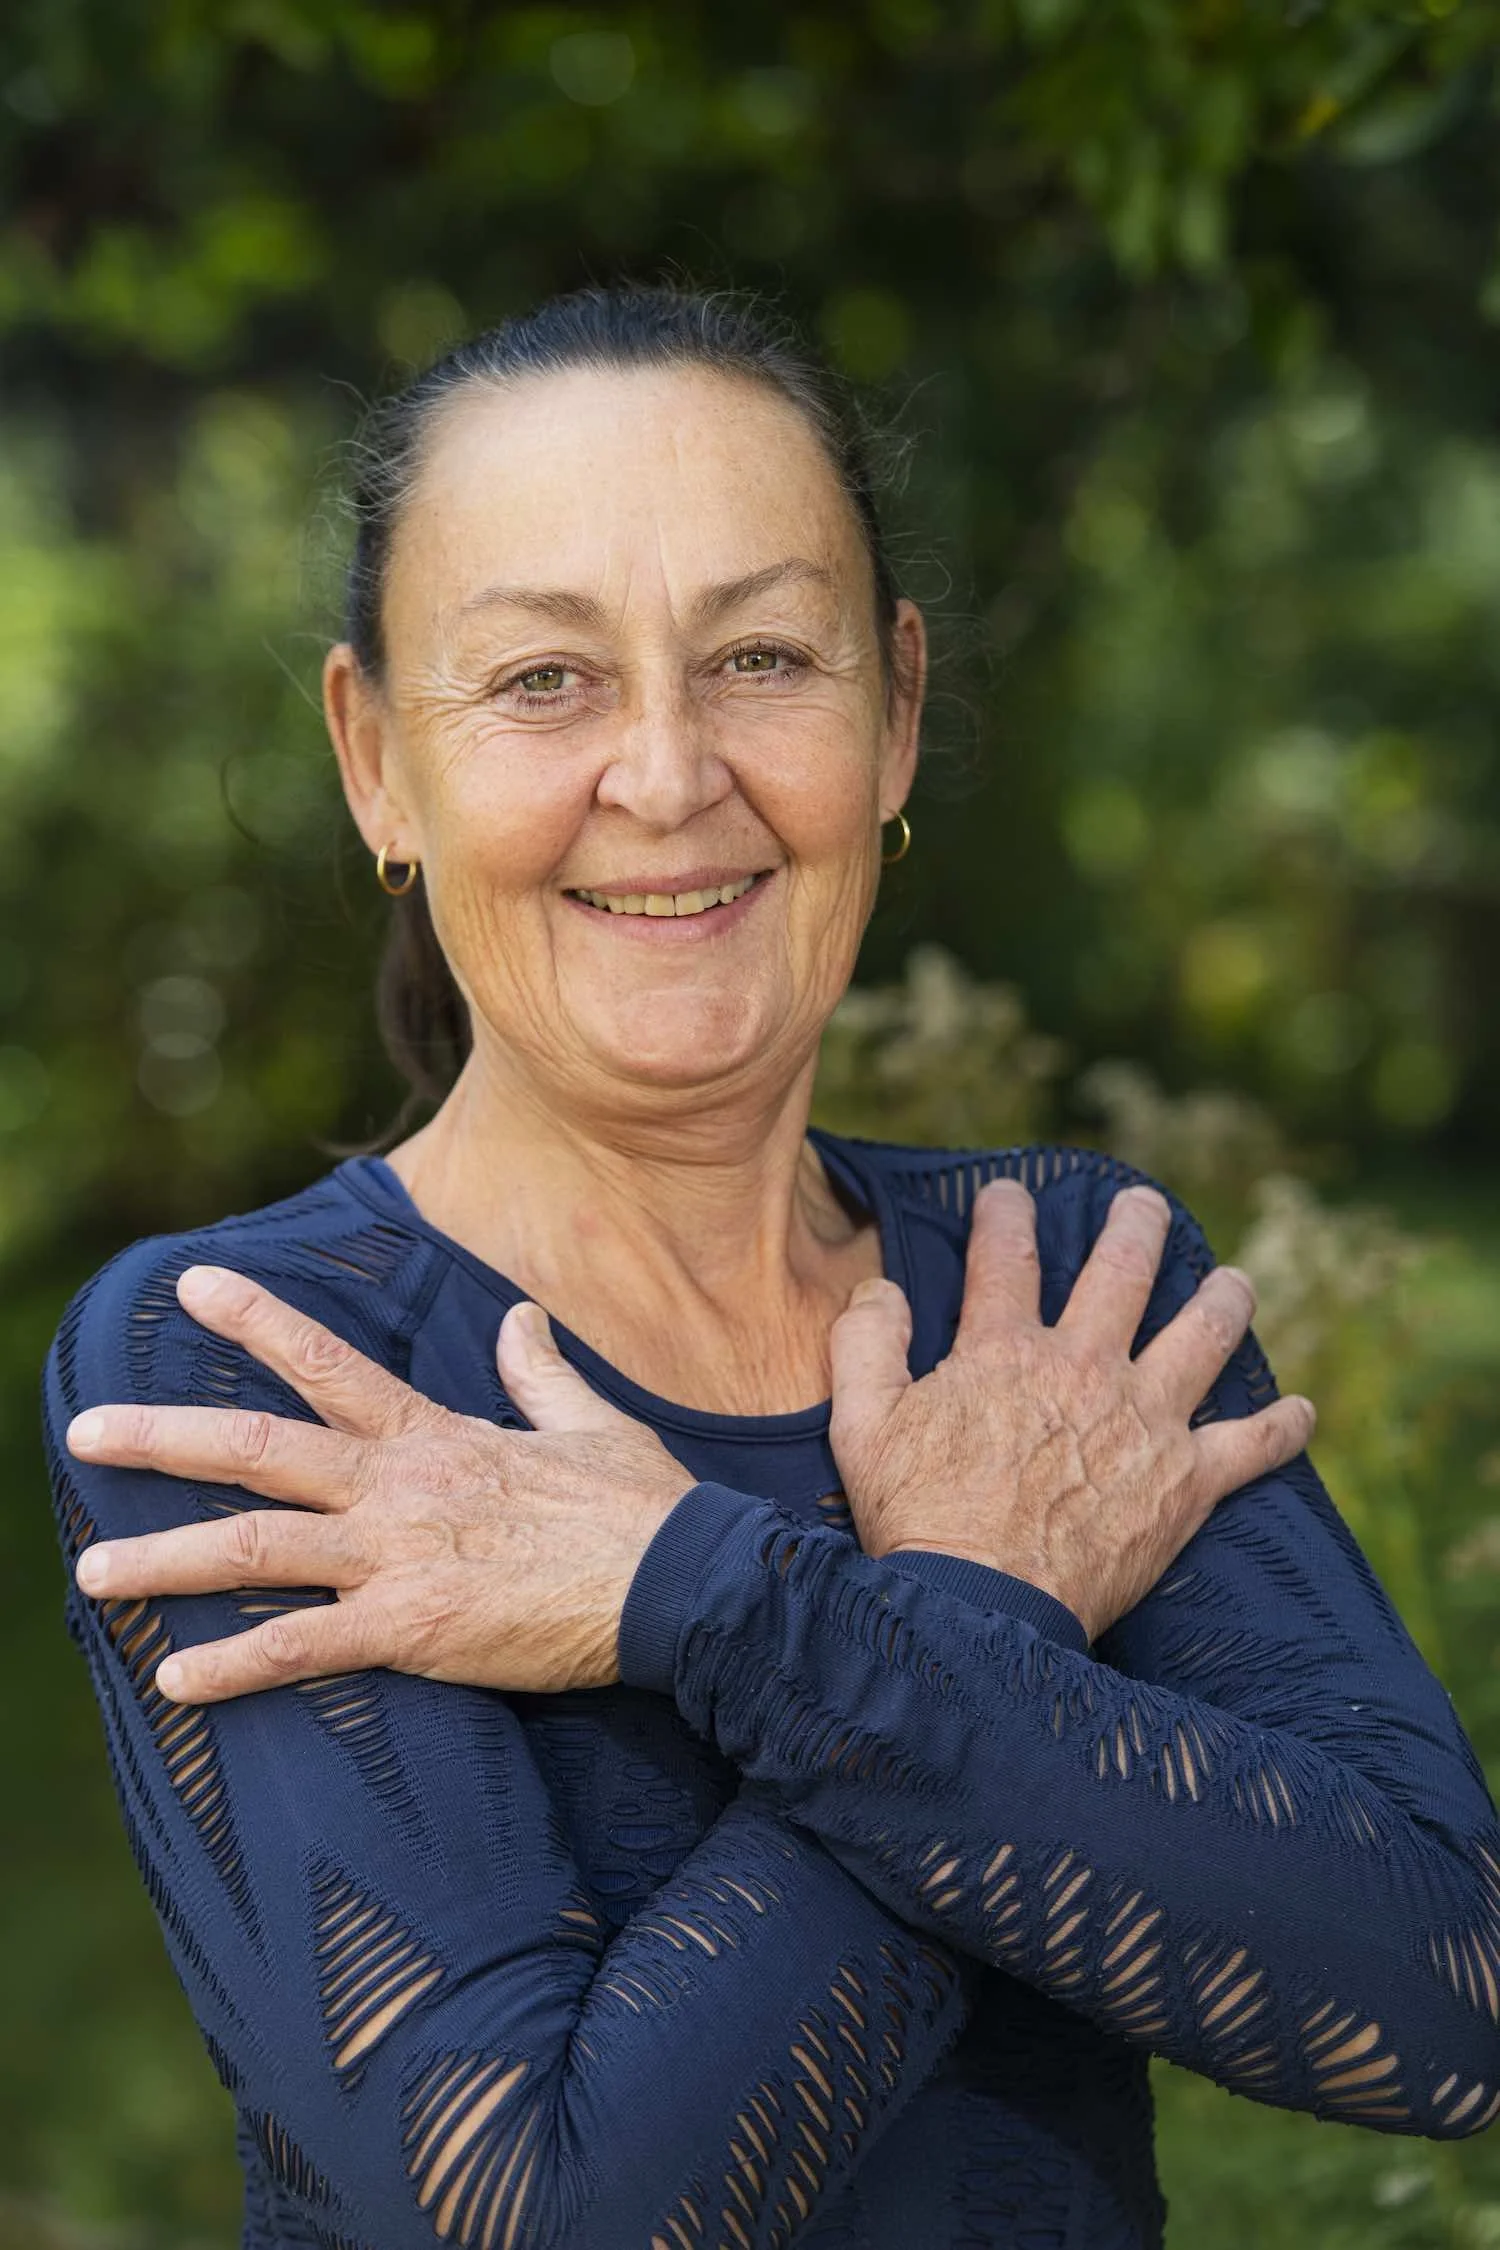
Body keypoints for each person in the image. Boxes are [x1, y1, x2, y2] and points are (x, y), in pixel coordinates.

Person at [41, 284, 1500, 2250]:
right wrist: (974, 1605)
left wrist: (692, 1596)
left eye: (760, 657)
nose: (665, 772)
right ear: (376, 758)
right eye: (544, 681)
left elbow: (1448, 2001)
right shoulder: (256, 1365)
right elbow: (539, 2218)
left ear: (894, 711)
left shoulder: (1044, 1283)